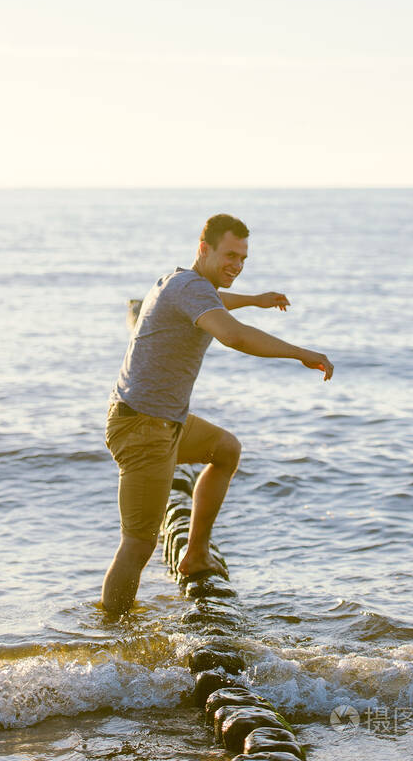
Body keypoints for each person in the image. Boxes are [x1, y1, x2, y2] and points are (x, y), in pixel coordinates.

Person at [101, 213, 333, 613]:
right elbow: (234, 334)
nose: (237, 265)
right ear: (203, 248)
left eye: (243, 258)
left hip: (161, 421)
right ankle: (112, 636)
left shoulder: (181, 283)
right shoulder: (190, 288)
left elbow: (214, 300)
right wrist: (301, 353)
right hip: (143, 427)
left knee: (226, 449)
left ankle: (195, 554)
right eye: (230, 255)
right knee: (138, 543)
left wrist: (255, 299)